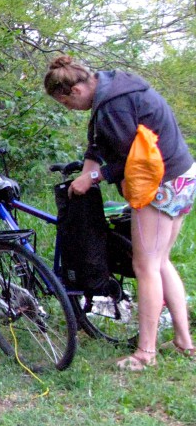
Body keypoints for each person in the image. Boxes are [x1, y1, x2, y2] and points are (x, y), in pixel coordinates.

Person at [45, 55, 196, 370]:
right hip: (183, 174)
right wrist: (85, 173)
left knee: (145, 267)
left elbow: (132, 161)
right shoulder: (111, 87)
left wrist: (95, 177)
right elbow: (97, 145)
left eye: (65, 104)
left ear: (72, 92)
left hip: (160, 182)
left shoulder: (113, 105)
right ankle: (184, 341)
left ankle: (145, 354)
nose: (70, 109)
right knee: (160, 262)